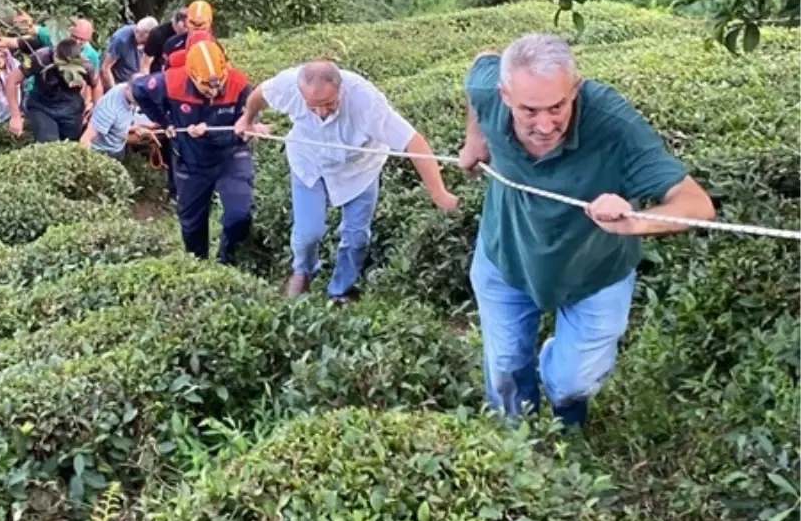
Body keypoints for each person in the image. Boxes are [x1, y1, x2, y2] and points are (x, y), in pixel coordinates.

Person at [459, 32, 716, 427]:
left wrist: (635, 220)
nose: (545, 125)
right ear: (505, 95)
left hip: (596, 270)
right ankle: (515, 447)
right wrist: (475, 139)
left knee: (572, 382)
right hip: (506, 255)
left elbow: (697, 204)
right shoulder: (488, 91)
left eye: (557, 106)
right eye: (529, 110)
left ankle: (566, 427)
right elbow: (480, 62)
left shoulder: (614, 124)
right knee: (506, 368)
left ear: (575, 89)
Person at [236, 59, 459, 301]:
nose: (321, 113)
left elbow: (413, 142)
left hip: (359, 169)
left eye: (329, 104)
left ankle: (341, 290)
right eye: (313, 106)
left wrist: (440, 194)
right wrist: (248, 120)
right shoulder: (288, 85)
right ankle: (303, 271)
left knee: (356, 236)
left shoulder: (366, 101)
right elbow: (260, 94)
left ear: (341, 90)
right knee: (308, 233)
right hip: (309, 162)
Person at [133, 37, 254, 264]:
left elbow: (244, 129)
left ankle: (226, 259)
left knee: (240, 215)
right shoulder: (171, 82)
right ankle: (198, 264)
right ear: (191, 75)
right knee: (191, 225)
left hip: (230, 156)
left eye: (218, 83)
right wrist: (163, 121)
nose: (214, 90)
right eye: (207, 85)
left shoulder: (239, 85)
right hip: (191, 160)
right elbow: (139, 89)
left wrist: (210, 131)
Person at [5, 36, 97, 144]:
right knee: (49, 143)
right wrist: (15, 116)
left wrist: (94, 110)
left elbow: (96, 84)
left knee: (72, 145)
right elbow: (12, 79)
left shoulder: (85, 64)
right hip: (42, 106)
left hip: (71, 109)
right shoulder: (40, 57)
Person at [101, 14, 159, 91]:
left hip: (134, 83)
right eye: (136, 32)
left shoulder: (152, 42)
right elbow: (106, 68)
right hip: (117, 82)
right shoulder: (121, 39)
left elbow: (146, 66)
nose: (137, 35)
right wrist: (115, 90)